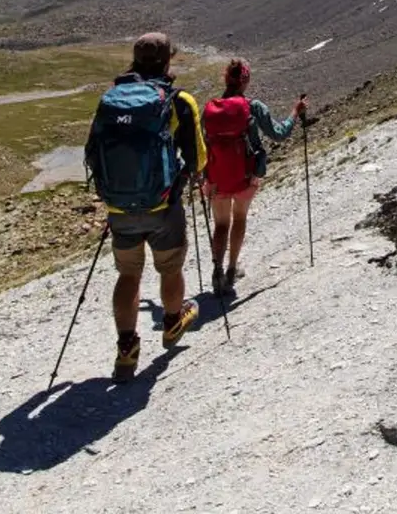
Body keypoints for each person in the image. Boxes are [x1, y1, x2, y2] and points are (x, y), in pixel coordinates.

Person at [85, 32, 207, 383]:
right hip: (163, 205)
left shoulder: (111, 101)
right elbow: (198, 159)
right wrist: (183, 178)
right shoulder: (179, 101)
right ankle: (172, 323)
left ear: (135, 60)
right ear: (168, 60)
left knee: (128, 274)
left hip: (120, 209)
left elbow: (93, 151)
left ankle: (126, 348)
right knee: (169, 268)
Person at [202, 58, 306, 298]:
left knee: (220, 224)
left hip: (216, 179)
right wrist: (295, 111)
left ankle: (216, 270)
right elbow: (279, 134)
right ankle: (231, 270)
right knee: (239, 218)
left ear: (225, 79)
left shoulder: (210, 109)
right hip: (246, 177)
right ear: (246, 80)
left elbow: (202, 144)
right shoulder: (253, 106)